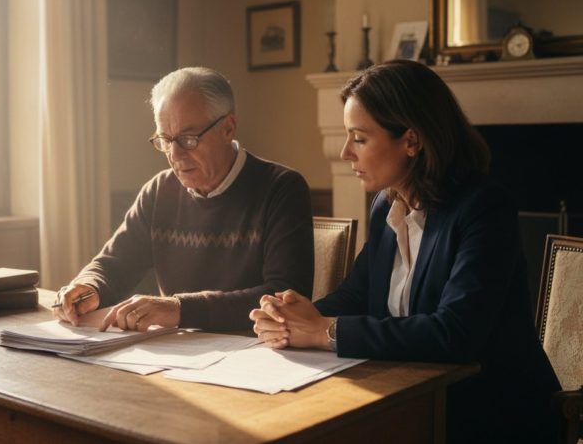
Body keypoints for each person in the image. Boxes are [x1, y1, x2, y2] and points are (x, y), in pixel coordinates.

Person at [250, 60, 560, 443]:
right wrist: (294, 317)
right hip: (410, 396)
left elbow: (454, 333)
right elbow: (359, 293)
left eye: (359, 138)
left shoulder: (484, 208)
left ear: (411, 141)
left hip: (490, 413)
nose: (346, 152)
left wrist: (324, 332)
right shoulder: (387, 204)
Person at [53, 66, 314, 333]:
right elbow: (115, 264)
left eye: (188, 139)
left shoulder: (282, 188)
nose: (175, 155)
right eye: (165, 140)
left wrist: (178, 309)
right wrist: (89, 286)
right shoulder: (159, 191)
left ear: (228, 128)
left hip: (258, 354)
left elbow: (284, 298)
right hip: (179, 356)